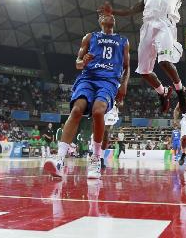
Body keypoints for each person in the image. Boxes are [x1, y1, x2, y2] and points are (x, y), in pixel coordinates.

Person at [44, 12, 129, 179]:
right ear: (100, 21)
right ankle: (59, 160)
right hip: (88, 78)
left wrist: (124, 84)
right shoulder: (90, 37)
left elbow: (126, 66)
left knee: (98, 111)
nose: (109, 16)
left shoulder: (122, 40)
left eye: (112, 15)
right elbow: (77, 63)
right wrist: (83, 62)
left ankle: (96, 158)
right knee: (76, 110)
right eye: (105, 15)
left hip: (108, 80)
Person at [100, 103, 121, 170]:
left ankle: (101, 158)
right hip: (103, 105)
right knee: (102, 133)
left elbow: (121, 102)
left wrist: (118, 104)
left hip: (111, 109)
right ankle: (98, 157)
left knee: (105, 133)